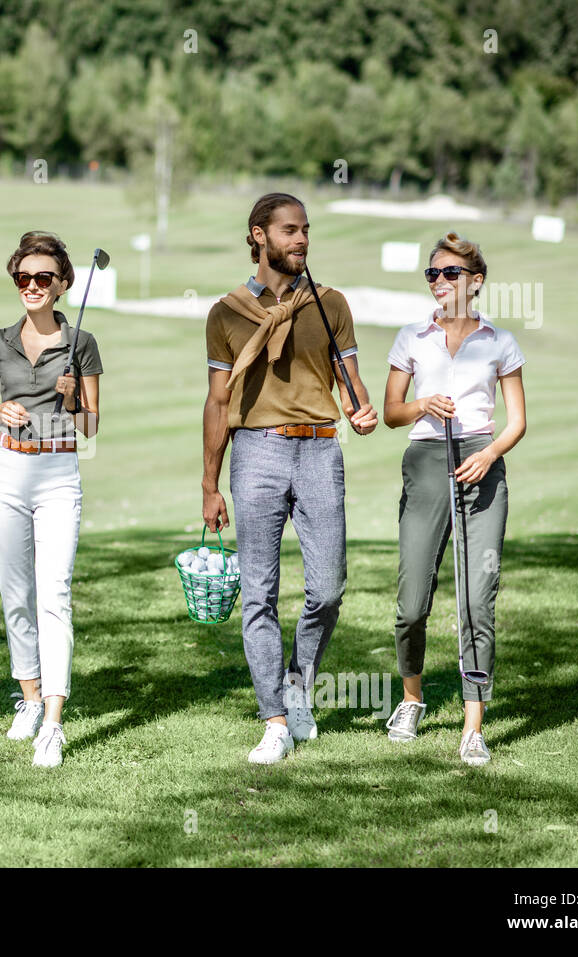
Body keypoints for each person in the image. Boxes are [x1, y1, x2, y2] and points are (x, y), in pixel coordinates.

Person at [202, 193, 377, 765]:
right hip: (255, 453)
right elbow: (217, 399)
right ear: (258, 236)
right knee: (259, 593)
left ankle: (298, 684)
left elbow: (353, 384)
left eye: (305, 230)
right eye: (289, 230)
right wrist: (210, 483)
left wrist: (362, 410)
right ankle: (274, 718)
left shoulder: (330, 304)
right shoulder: (227, 313)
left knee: (328, 589)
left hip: (322, 451)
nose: (301, 240)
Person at [381, 232, 526, 767]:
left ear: (475, 281)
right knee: (412, 601)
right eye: (432, 274)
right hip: (425, 461)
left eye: (449, 273)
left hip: (481, 468)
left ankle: (472, 727)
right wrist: (422, 404)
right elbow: (391, 411)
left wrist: (489, 456)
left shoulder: (500, 342)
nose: (439, 282)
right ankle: (413, 698)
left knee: (476, 602)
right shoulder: (411, 337)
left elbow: (518, 422)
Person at [0, 231, 102, 768]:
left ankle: (52, 722)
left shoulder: (83, 344)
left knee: (55, 593)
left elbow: (91, 427)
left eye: (42, 278)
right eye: (23, 277)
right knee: (16, 591)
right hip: (5, 469)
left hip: (56, 472)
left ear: (62, 285)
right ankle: (26, 697)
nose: (31, 285)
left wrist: (73, 401)